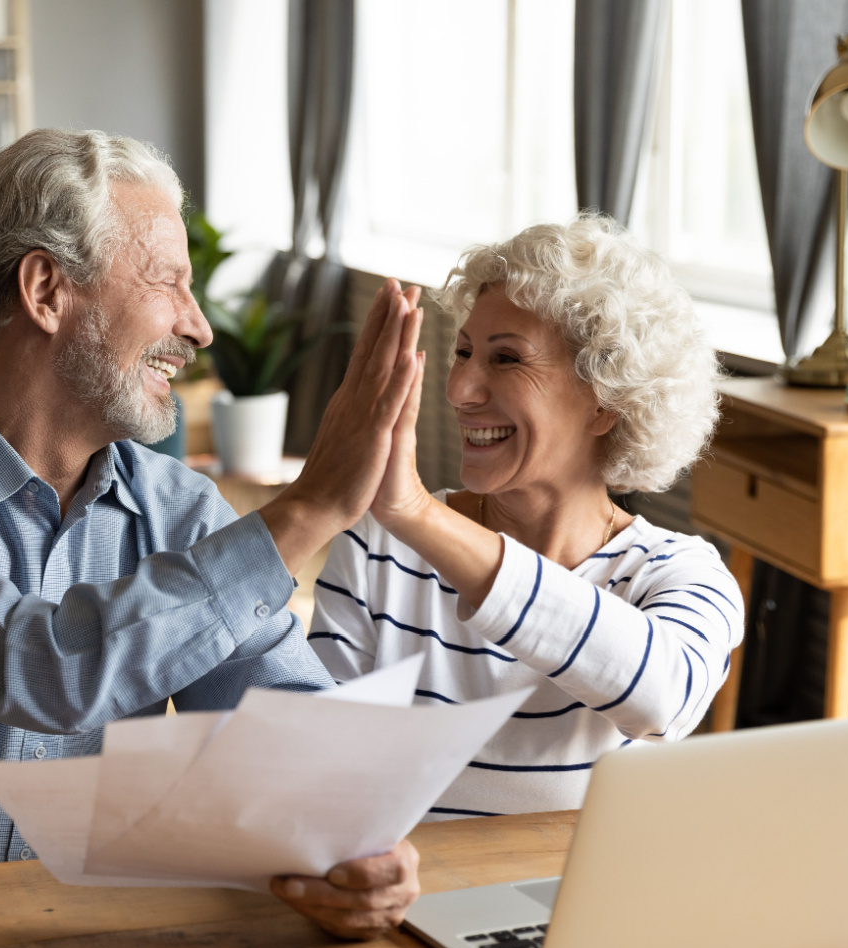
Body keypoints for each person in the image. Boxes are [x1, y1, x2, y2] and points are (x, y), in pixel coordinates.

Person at [0, 129, 424, 940]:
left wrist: (355, 841)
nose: (198, 329)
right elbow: (38, 667)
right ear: (46, 290)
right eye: (170, 283)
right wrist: (306, 511)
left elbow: (284, 728)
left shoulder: (181, 513)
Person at [309, 214, 742, 818]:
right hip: (408, 897)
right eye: (462, 352)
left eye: (507, 359)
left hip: (584, 905)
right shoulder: (382, 544)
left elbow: (663, 698)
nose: (460, 388)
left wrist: (417, 515)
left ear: (607, 402)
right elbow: (318, 765)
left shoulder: (678, 574)